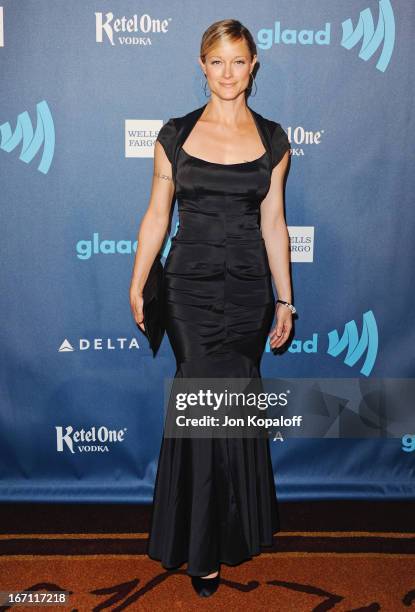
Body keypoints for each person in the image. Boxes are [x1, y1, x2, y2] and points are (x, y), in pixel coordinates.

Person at [129, 19, 294, 598]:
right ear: (202, 65)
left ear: (254, 66)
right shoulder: (173, 134)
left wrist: (285, 299)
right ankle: (201, 549)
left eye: (238, 61)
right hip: (190, 289)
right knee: (201, 406)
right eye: (217, 61)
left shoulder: (274, 140)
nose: (228, 73)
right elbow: (157, 215)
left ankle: (233, 530)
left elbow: (274, 224)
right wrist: (137, 281)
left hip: (249, 291)